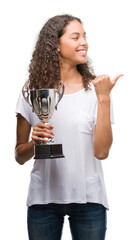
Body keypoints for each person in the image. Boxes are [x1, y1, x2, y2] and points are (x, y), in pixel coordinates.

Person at [15, 14, 123, 240]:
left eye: (85, 36)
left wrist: (104, 99)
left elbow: (101, 152)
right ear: (55, 44)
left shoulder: (96, 89)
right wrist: (35, 143)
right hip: (43, 201)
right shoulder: (32, 91)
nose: (84, 42)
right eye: (76, 37)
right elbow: (19, 156)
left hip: (89, 200)